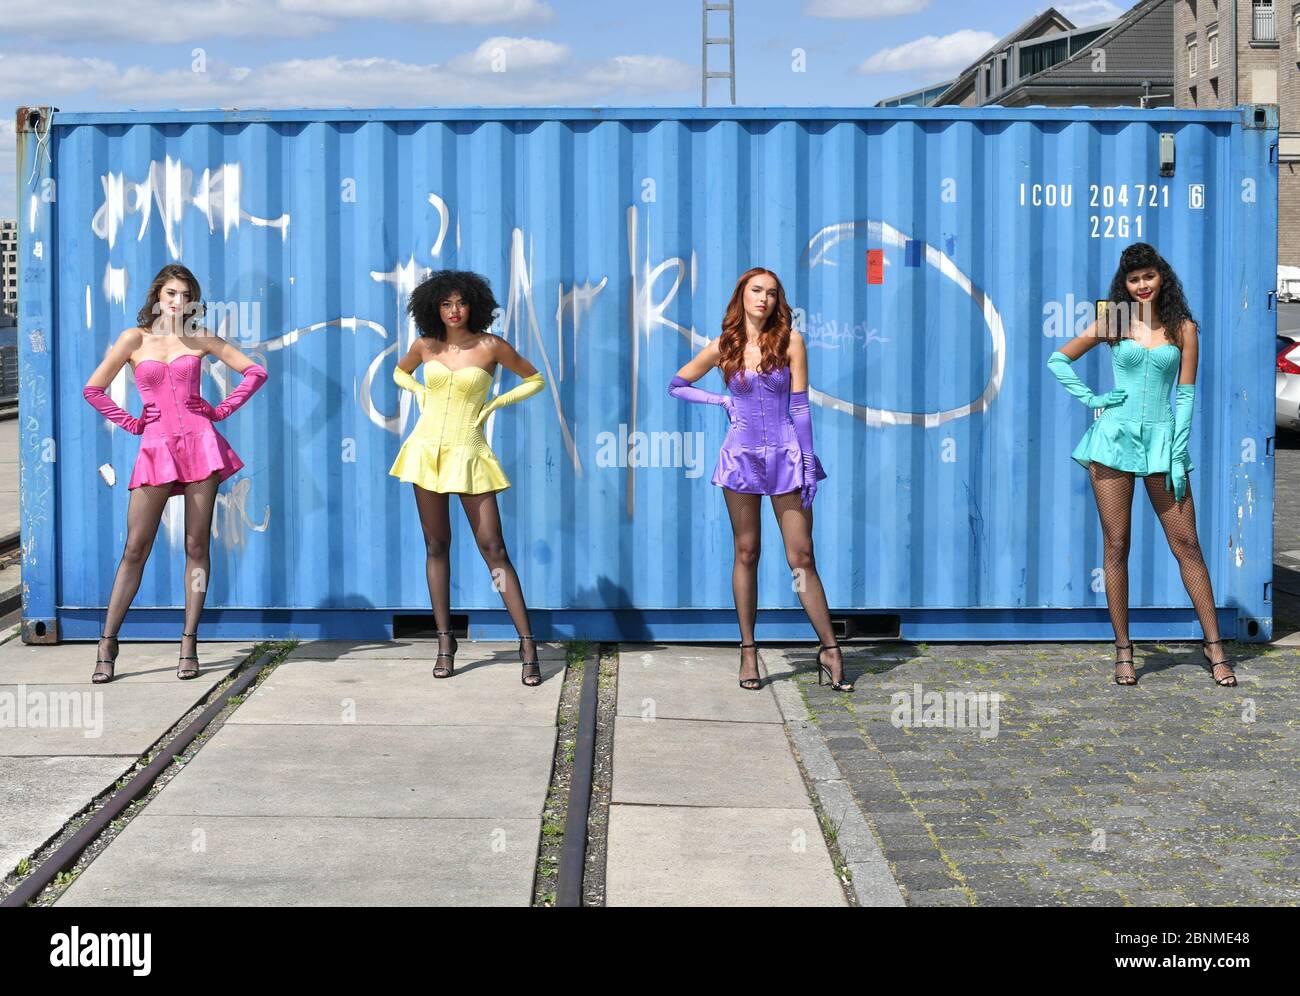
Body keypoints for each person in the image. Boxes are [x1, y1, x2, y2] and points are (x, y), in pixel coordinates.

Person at [1047, 242, 1235, 686]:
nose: (1142, 285)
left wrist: (1177, 453)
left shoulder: (1184, 328)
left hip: (1162, 442)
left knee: (1187, 545)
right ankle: (1124, 652)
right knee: (1117, 545)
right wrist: (1093, 399)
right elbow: (1059, 359)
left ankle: (1215, 648)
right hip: (1113, 441)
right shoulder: (1114, 321)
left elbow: (1185, 396)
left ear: (1161, 277)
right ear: (1125, 284)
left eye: (1148, 276)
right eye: (1133, 279)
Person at [83, 264, 268, 683]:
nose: (177, 301)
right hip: (156, 449)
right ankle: (108, 643)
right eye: (170, 293)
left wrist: (221, 410)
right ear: (156, 296)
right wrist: (132, 423)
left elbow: (256, 371)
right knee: (135, 548)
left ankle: (189, 642)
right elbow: (93, 388)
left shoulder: (199, 337)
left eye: (185, 295)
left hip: (201, 446)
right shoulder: (134, 339)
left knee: (196, 546)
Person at [668, 267, 847, 692]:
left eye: (771, 293)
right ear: (742, 296)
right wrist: (721, 400)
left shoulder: (791, 341)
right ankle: (748, 650)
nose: (763, 299)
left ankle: (829, 648)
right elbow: (677, 384)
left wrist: (807, 462)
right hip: (741, 458)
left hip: (786, 454)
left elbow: (800, 408)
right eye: (756, 291)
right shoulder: (723, 346)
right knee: (746, 551)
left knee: (801, 556)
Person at [390, 270, 547, 686]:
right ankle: (446, 642)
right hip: (425, 451)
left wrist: (496, 402)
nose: (454, 311)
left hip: (470, 450)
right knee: (436, 544)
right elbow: (399, 373)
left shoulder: (491, 346)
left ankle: (527, 642)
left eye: (460, 302)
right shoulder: (425, 345)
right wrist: (419, 392)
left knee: (493, 546)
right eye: (445, 304)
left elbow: (536, 379)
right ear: (433, 308)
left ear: (473, 304)